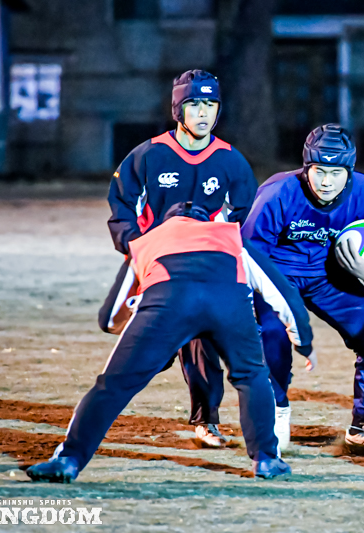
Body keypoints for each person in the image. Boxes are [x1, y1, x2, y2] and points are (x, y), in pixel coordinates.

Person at [26, 202, 314, 483]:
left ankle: (69, 459)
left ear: (167, 222)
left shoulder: (146, 241)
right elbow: (283, 294)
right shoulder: (230, 235)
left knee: (113, 385)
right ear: (206, 221)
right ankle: (266, 459)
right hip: (228, 303)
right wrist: (303, 342)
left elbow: (110, 316)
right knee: (251, 376)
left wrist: (138, 334)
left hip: (167, 303)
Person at [102, 69, 260, 446]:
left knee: (204, 340)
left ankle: (207, 421)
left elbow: (244, 219)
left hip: (205, 268)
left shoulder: (231, 161)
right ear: (178, 109)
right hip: (157, 267)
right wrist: (137, 249)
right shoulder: (148, 155)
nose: (203, 113)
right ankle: (103, 409)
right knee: (148, 353)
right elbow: (122, 207)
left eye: (211, 104)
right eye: (194, 104)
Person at [241, 124, 364, 452]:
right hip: (278, 276)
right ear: (306, 167)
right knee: (273, 337)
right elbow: (250, 254)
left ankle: (361, 427)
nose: (326, 182)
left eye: (336, 173)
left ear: (350, 171)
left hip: (330, 276)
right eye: (319, 171)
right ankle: (277, 411)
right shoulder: (278, 192)